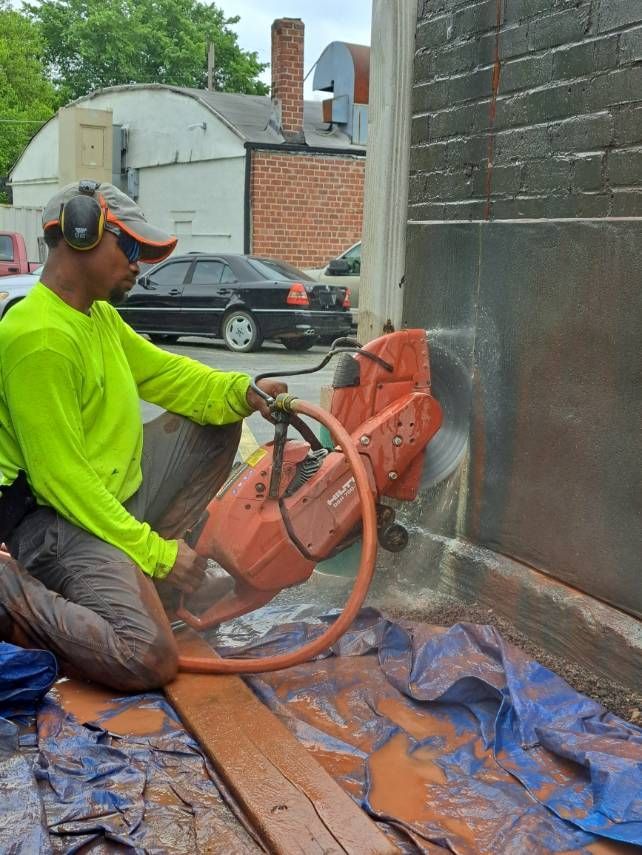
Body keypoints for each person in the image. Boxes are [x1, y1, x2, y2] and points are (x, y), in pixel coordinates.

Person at [0, 180, 285, 691]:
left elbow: (169, 376)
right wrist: (158, 552)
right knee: (148, 657)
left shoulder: (99, 317)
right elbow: (63, 482)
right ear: (81, 234)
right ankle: (13, 591)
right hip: (56, 523)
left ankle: (145, 578)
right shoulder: (39, 339)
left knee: (217, 422)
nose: (139, 263)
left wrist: (245, 390)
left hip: (111, 492)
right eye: (129, 248)